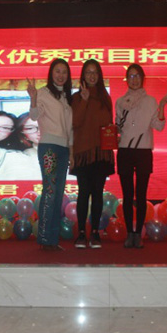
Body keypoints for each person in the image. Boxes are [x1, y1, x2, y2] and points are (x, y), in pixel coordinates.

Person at [115, 64, 167, 248]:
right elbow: (118, 127)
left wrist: (162, 106)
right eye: (131, 76)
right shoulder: (120, 102)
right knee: (127, 195)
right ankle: (129, 233)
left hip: (143, 152)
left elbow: (159, 126)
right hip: (125, 151)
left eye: (137, 76)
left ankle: (138, 234)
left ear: (143, 78)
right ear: (127, 79)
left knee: (141, 195)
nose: (134, 79)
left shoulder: (150, 101)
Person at [27, 58, 74, 251]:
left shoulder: (67, 97)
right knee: (50, 192)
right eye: (57, 71)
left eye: (64, 72)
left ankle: (52, 239)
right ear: (51, 73)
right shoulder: (43, 93)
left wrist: (71, 151)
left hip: (64, 149)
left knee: (58, 193)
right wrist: (33, 97)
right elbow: (34, 116)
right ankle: (45, 238)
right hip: (49, 148)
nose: (61, 75)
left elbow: (70, 128)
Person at [71, 59, 115, 249]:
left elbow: (108, 123)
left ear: (99, 75)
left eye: (95, 72)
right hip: (83, 152)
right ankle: (82, 233)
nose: (92, 76)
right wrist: (84, 99)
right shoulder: (76, 97)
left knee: (97, 193)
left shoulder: (105, 97)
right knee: (83, 193)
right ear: (83, 75)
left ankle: (95, 232)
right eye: (88, 72)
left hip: (101, 153)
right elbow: (75, 122)